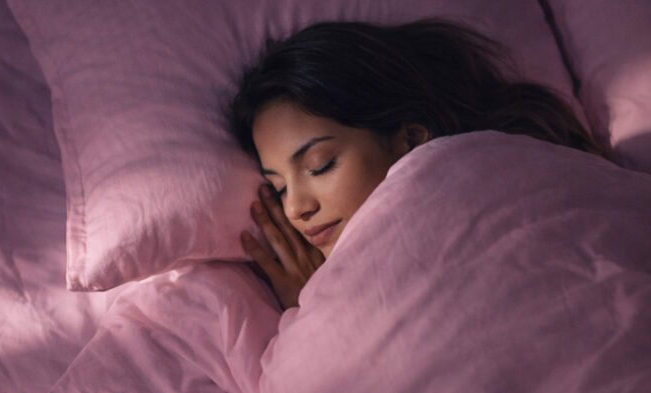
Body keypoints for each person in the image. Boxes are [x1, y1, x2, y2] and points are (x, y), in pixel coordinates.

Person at [228, 19, 603, 310]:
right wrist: (315, 307)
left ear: (408, 138)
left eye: (320, 165)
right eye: (279, 188)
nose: (296, 208)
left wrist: (315, 311)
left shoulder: (523, 181)